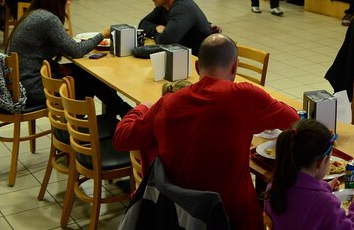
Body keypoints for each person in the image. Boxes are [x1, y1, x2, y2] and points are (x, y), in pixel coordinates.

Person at [113, 34, 299, 230]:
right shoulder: (245, 96)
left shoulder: (167, 104)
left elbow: (121, 138)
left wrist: (142, 108)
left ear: (196, 67)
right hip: (234, 219)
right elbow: (293, 119)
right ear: (235, 67)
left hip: (181, 218)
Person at [7, 0, 131, 117]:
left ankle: (122, 113)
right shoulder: (47, 19)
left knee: (85, 75)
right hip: (31, 89)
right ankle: (115, 116)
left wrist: (55, 66)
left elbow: (34, 54)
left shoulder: (35, 14)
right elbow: (76, 51)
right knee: (88, 80)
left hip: (19, 83)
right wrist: (102, 34)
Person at [265, 119, 354, 230]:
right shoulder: (325, 204)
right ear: (322, 162)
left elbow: (301, 194)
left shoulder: (274, 186)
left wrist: (323, 187)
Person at [138, 0, 213, 53]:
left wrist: (160, 34)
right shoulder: (164, 5)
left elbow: (166, 41)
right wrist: (156, 28)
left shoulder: (182, 8)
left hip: (197, 58)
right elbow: (142, 25)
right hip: (181, 55)